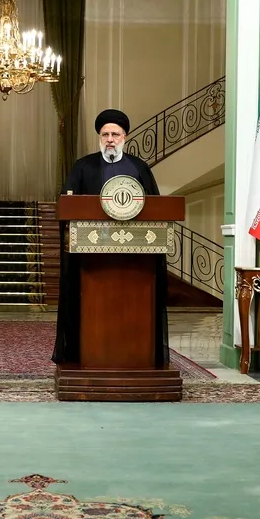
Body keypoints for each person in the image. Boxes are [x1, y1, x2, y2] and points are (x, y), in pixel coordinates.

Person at [51, 108, 170, 366]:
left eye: (115, 134)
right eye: (105, 135)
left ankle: (140, 356)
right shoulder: (84, 166)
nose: (110, 140)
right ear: (100, 137)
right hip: (92, 258)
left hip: (135, 259)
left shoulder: (139, 168)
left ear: (124, 137)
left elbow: (155, 207)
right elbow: (68, 207)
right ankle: (83, 354)